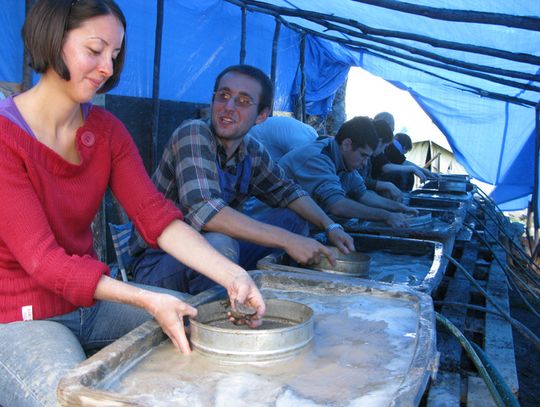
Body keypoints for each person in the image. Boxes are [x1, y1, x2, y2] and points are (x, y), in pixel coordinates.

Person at [0, 2, 264, 406]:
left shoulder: (106, 132)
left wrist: (232, 275)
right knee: (65, 399)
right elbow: (43, 262)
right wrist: (144, 297)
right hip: (23, 315)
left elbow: (155, 216)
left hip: (90, 301)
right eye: (95, 50)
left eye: (116, 54)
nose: (107, 67)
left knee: (206, 334)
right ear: (52, 40)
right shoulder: (5, 137)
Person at [129, 64, 355, 293]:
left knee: (292, 219)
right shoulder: (193, 134)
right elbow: (206, 211)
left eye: (244, 101)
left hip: (218, 256)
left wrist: (330, 226)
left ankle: (259, 294)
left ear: (262, 115)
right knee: (220, 243)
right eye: (224, 96)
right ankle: (212, 320)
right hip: (159, 262)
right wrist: (288, 240)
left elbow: (288, 191)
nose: (228, 107)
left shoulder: (252, 152)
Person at [279, 116, 418, 228]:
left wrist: (399, 208)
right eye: (363, 156)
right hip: (274, 227)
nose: (364, 164)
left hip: (297, 227)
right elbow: (338, 205)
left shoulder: (345, 161)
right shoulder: (317, 158)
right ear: (347, 144)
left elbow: (364, 194)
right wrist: (386, 216)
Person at [247, 116, 318, 162]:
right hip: (255, 137)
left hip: (259, 130)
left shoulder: (312, 133)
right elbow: (288, 166)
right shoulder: (304, 146)